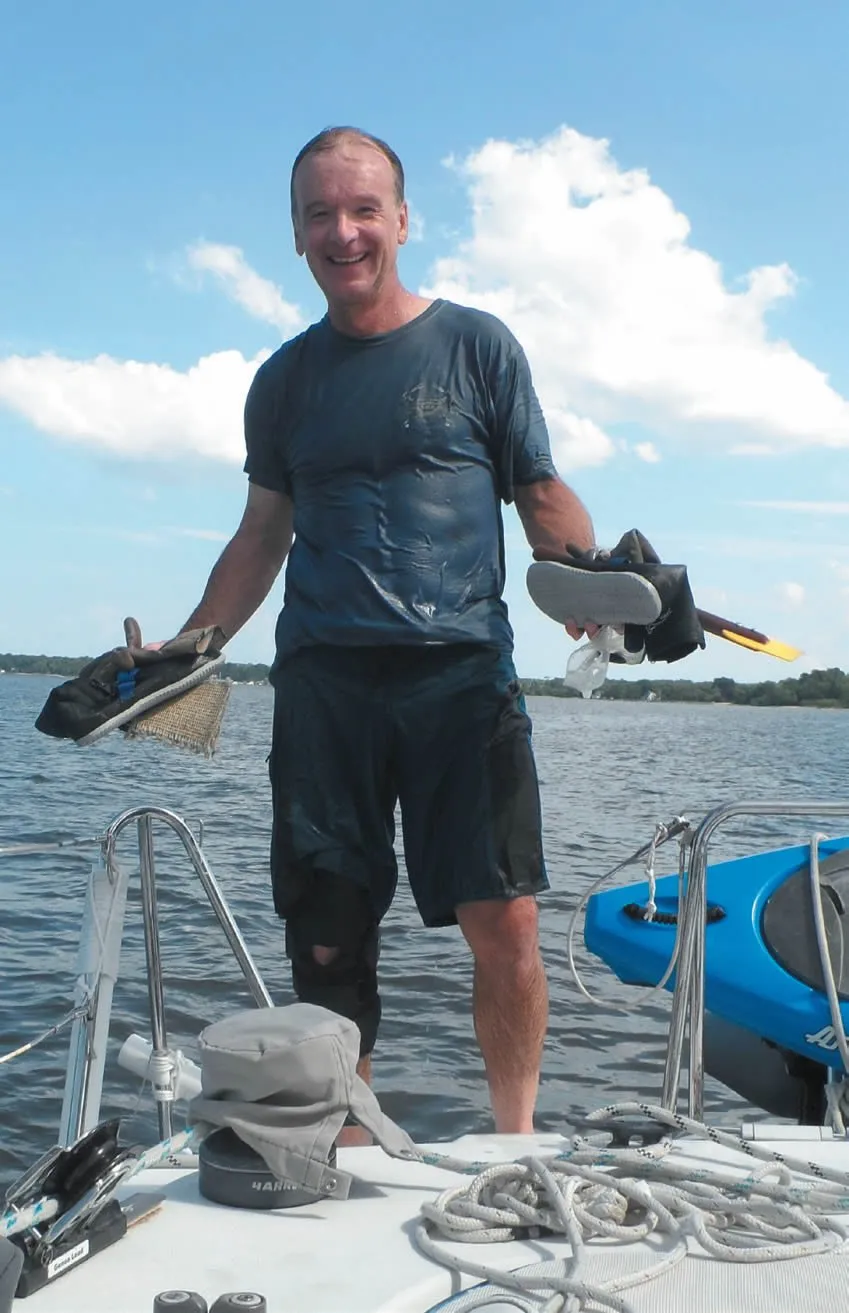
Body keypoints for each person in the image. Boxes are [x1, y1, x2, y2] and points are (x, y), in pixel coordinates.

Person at [176, 126, 596, 1135]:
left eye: (363, 209)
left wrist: (602, 583)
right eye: (319, 213)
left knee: (505, 920)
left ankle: (512, 1144)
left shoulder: (478, 346)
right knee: (327, 936)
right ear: (296, 233)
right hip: (325, 685)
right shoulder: (282, 381)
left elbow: (540, 496)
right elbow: (261, 534)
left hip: (463, 677)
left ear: (402, 220)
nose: (343, 231)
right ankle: (347, 1143)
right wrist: (188, 648)